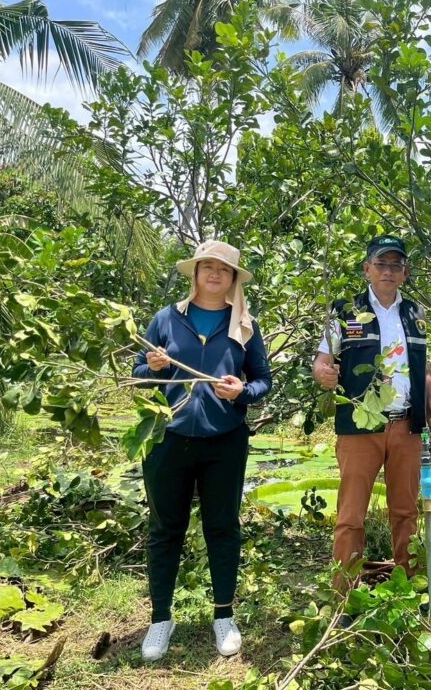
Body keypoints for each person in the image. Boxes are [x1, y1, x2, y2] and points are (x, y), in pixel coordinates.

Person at [133, 241, 272, 661]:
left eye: (223, 269)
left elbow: (263, 381)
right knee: (165, 529)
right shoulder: (166, 319)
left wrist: (241, 391)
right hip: (167, 438)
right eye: (207, 266)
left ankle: (224, 615)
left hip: (224, 441)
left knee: (223, 527)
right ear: (194, 273)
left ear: (232, 279)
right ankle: (161, 619)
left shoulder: (244, 325)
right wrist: (152, 367)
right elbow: (138, 373)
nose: (214, 274)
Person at [311, 235, 431, 589]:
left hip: (406, 427)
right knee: (351, 516)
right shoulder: (345, 312)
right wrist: (323, 374)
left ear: (405, 273)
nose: (388, 271)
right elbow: (322, 361)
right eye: (381, 264)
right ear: (367, 269)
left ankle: (408, 591)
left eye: (396, 265)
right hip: (359, 429)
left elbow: (424, 371)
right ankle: (343, 595)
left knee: (406, 513)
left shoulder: (416, 314)